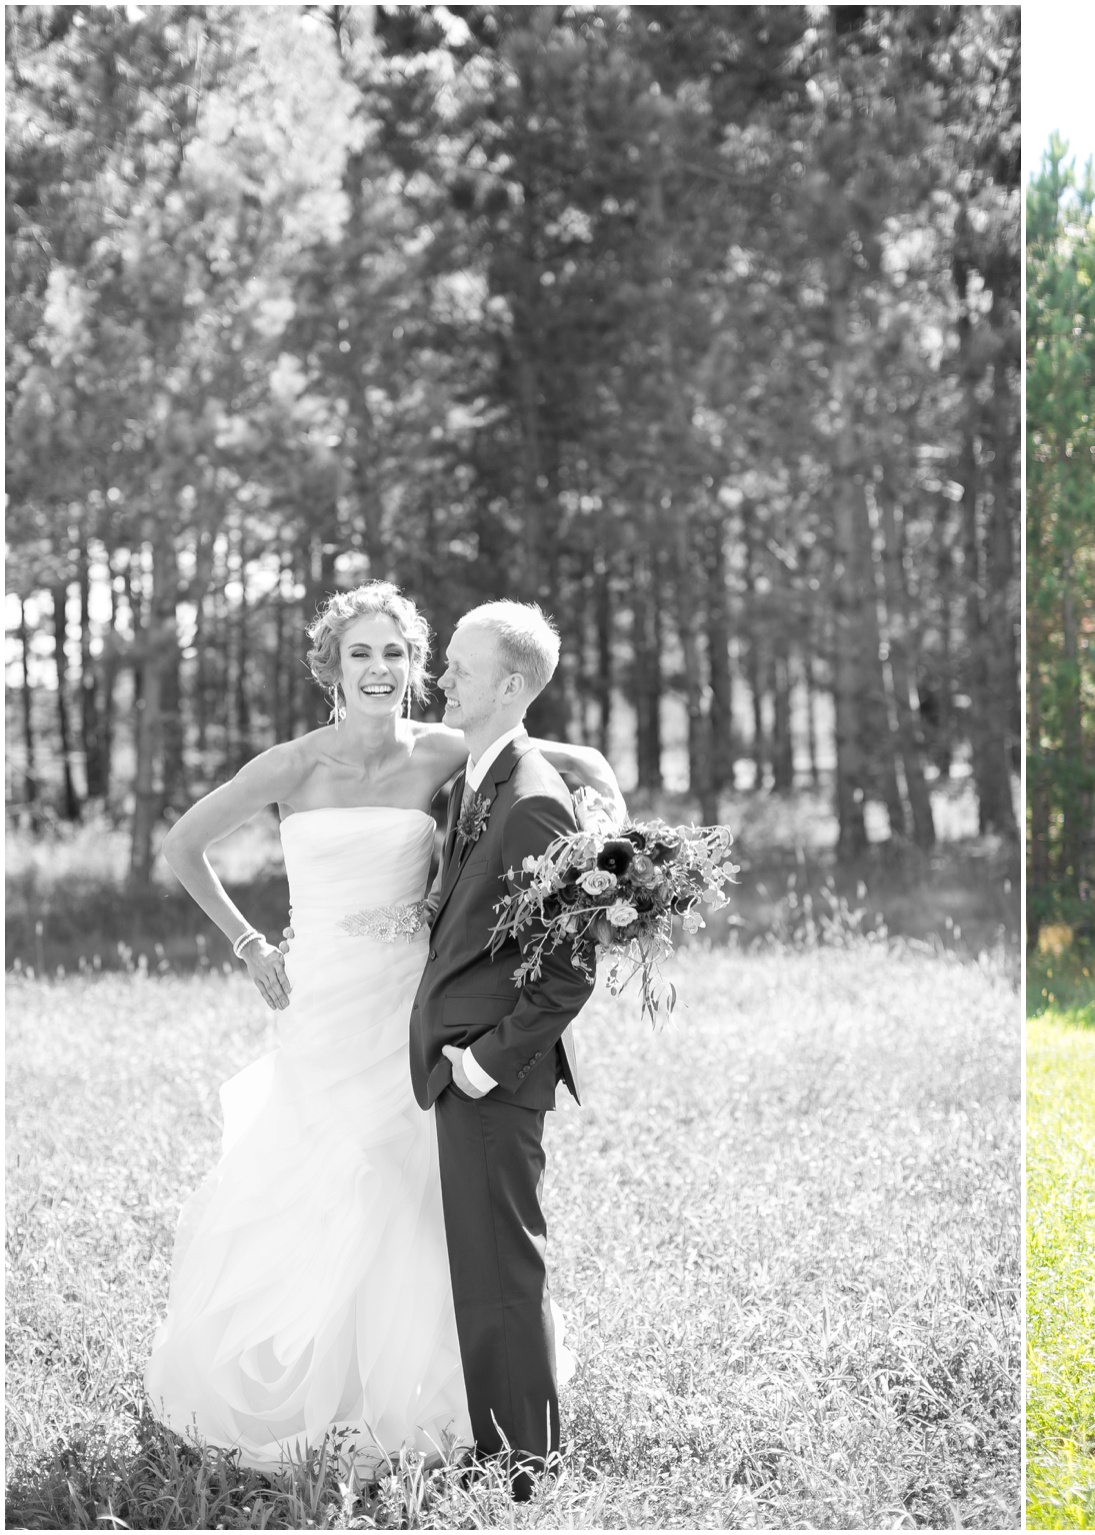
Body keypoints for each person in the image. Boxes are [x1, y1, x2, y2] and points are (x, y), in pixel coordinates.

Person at [145, 582, 620, 1474]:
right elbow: (182, 845)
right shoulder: (292, 764)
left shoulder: (443, 749)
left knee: (415, 1186)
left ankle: (443, 1392)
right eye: (361, 653)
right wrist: (248, 942)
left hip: (412, 996)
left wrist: (616, 852)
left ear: (414, 665)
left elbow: (582, 761)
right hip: (322, 998)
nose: (380, 669)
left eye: (396, 653)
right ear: (333, 665)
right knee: (321, 1173)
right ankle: (315, 1385)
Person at [406, 600, 592, 1500]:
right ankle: (515, 1451)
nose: (442, 679)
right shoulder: (482, 778)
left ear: (512, 685)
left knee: (500, 1269)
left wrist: (482, 1062)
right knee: (486, 1261)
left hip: (490, 1074)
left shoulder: (531, 801)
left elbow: (569, 971)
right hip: (468, 1067)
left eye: (460, 668)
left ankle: (523, 1471)